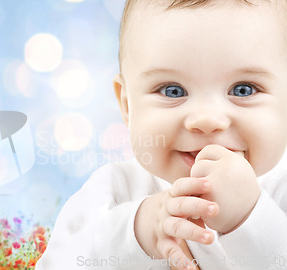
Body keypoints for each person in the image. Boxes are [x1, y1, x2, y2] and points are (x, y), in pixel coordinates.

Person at [35, 0, 287, 269]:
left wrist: (250, 217)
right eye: (172, 91)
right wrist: (136, 233)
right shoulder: (116, 190)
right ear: (128, 106)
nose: (206, 120)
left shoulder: (280, 191)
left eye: (243, 90)